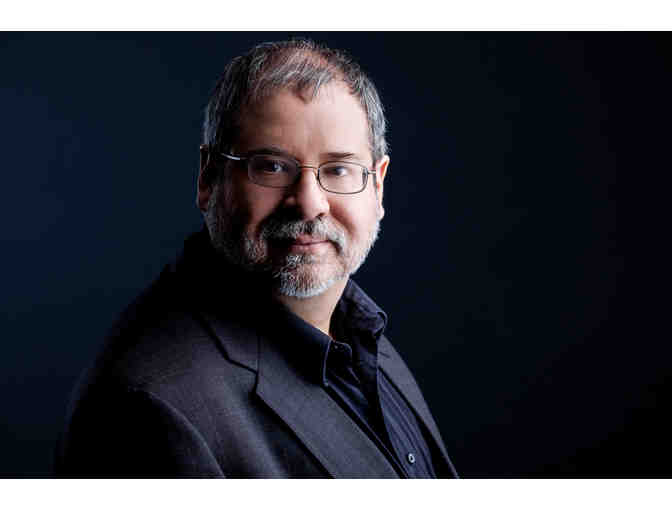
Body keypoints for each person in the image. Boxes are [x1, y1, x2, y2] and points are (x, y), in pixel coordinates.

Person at [55, 39, 459, 478]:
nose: (310, 204)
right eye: (271, 166)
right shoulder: (149, 407)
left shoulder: (357, 332)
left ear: (377, 187)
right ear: (209, 178)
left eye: (339, 169)